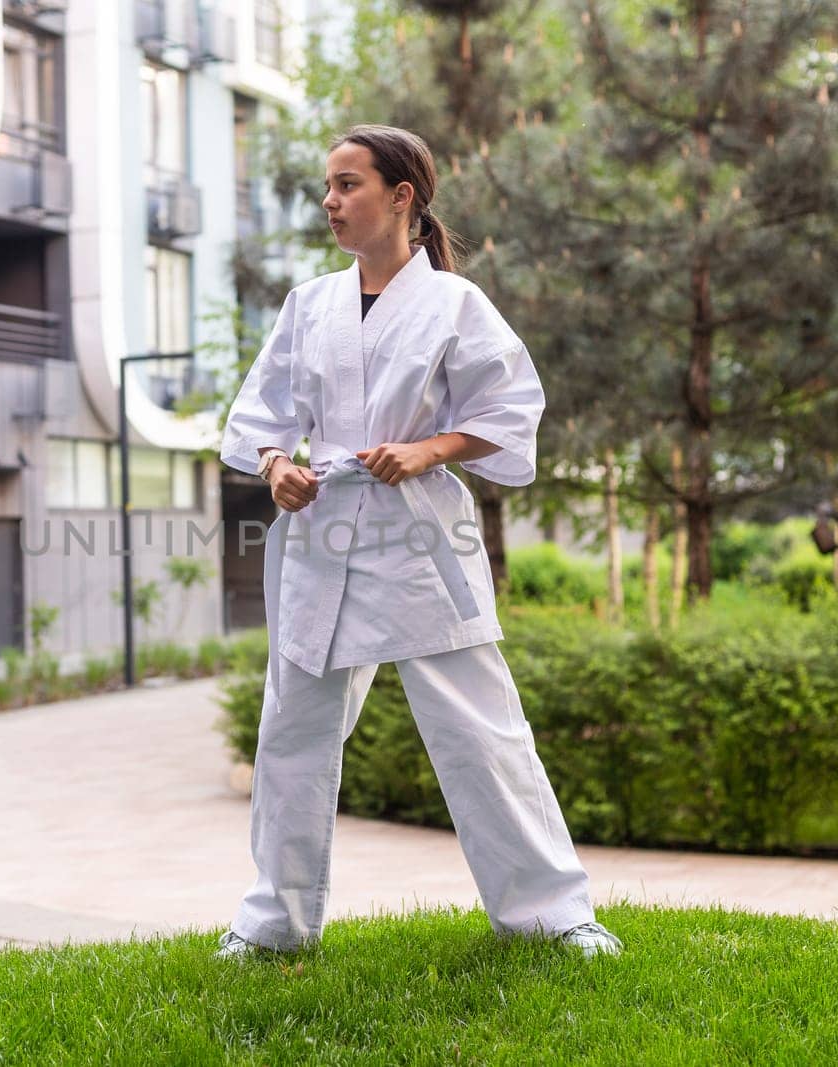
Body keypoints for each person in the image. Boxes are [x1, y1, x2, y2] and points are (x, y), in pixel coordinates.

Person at [215, 124, 622, 960]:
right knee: (291, 730)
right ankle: (273, 926)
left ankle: (553, 916)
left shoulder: (455, 306)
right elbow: (263, 416)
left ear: (403, 197)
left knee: (480, 729)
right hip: (322, 531)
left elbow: (509, 412)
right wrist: (276, 465)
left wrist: (428, 450)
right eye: (327, 186)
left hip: (416, 537)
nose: (330, 201)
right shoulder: (310, 305)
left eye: (348, 184)